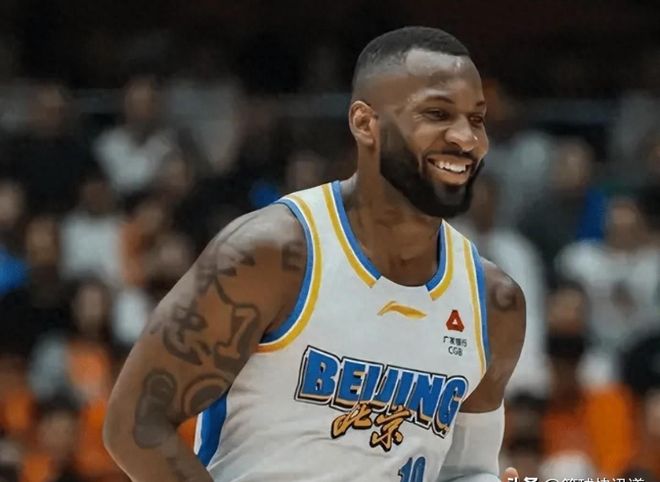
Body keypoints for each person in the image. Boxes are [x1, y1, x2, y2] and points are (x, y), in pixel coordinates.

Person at [104, 26, 526, 482]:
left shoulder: (494, 302)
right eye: (438, 114)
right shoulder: (269, 255)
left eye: (476, 119)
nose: (466, 138)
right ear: (365, 124)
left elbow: (464, 472)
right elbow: (134, 425)